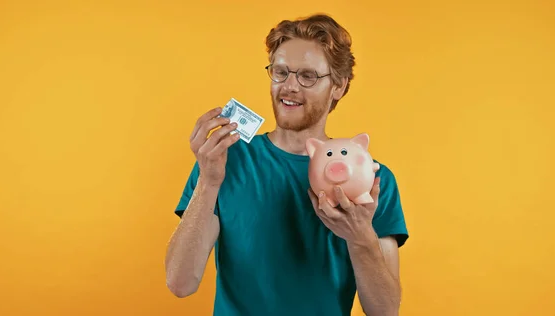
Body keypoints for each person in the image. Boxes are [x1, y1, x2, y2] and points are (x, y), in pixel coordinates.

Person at [165, 13, 409, 316]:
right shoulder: (224, 160)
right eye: (281, 72)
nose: (289, 86)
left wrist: (360, 236)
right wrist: (208, 181)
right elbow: (180, 282)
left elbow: (385, 312)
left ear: (339, 86)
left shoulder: (371, 179)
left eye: (307, 76)